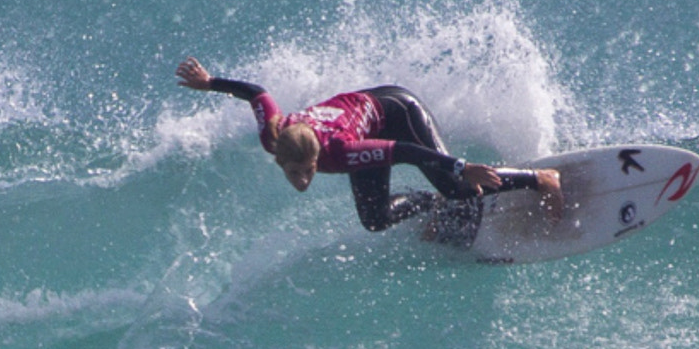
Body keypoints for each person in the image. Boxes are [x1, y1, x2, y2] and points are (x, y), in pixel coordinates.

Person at [175, 57, 561, 243]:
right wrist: (210, 83)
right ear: (280, 160)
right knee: (374, 220)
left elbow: (407, 150)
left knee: (456, 186)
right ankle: (435, 204)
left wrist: (462, 167)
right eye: (295, 173)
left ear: (316, 160)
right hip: (362, 119)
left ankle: (541, 180)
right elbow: (257, 94)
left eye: (308, 171)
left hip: (395, 111)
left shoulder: (342, 152)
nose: (303, 180)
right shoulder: (274, 136)